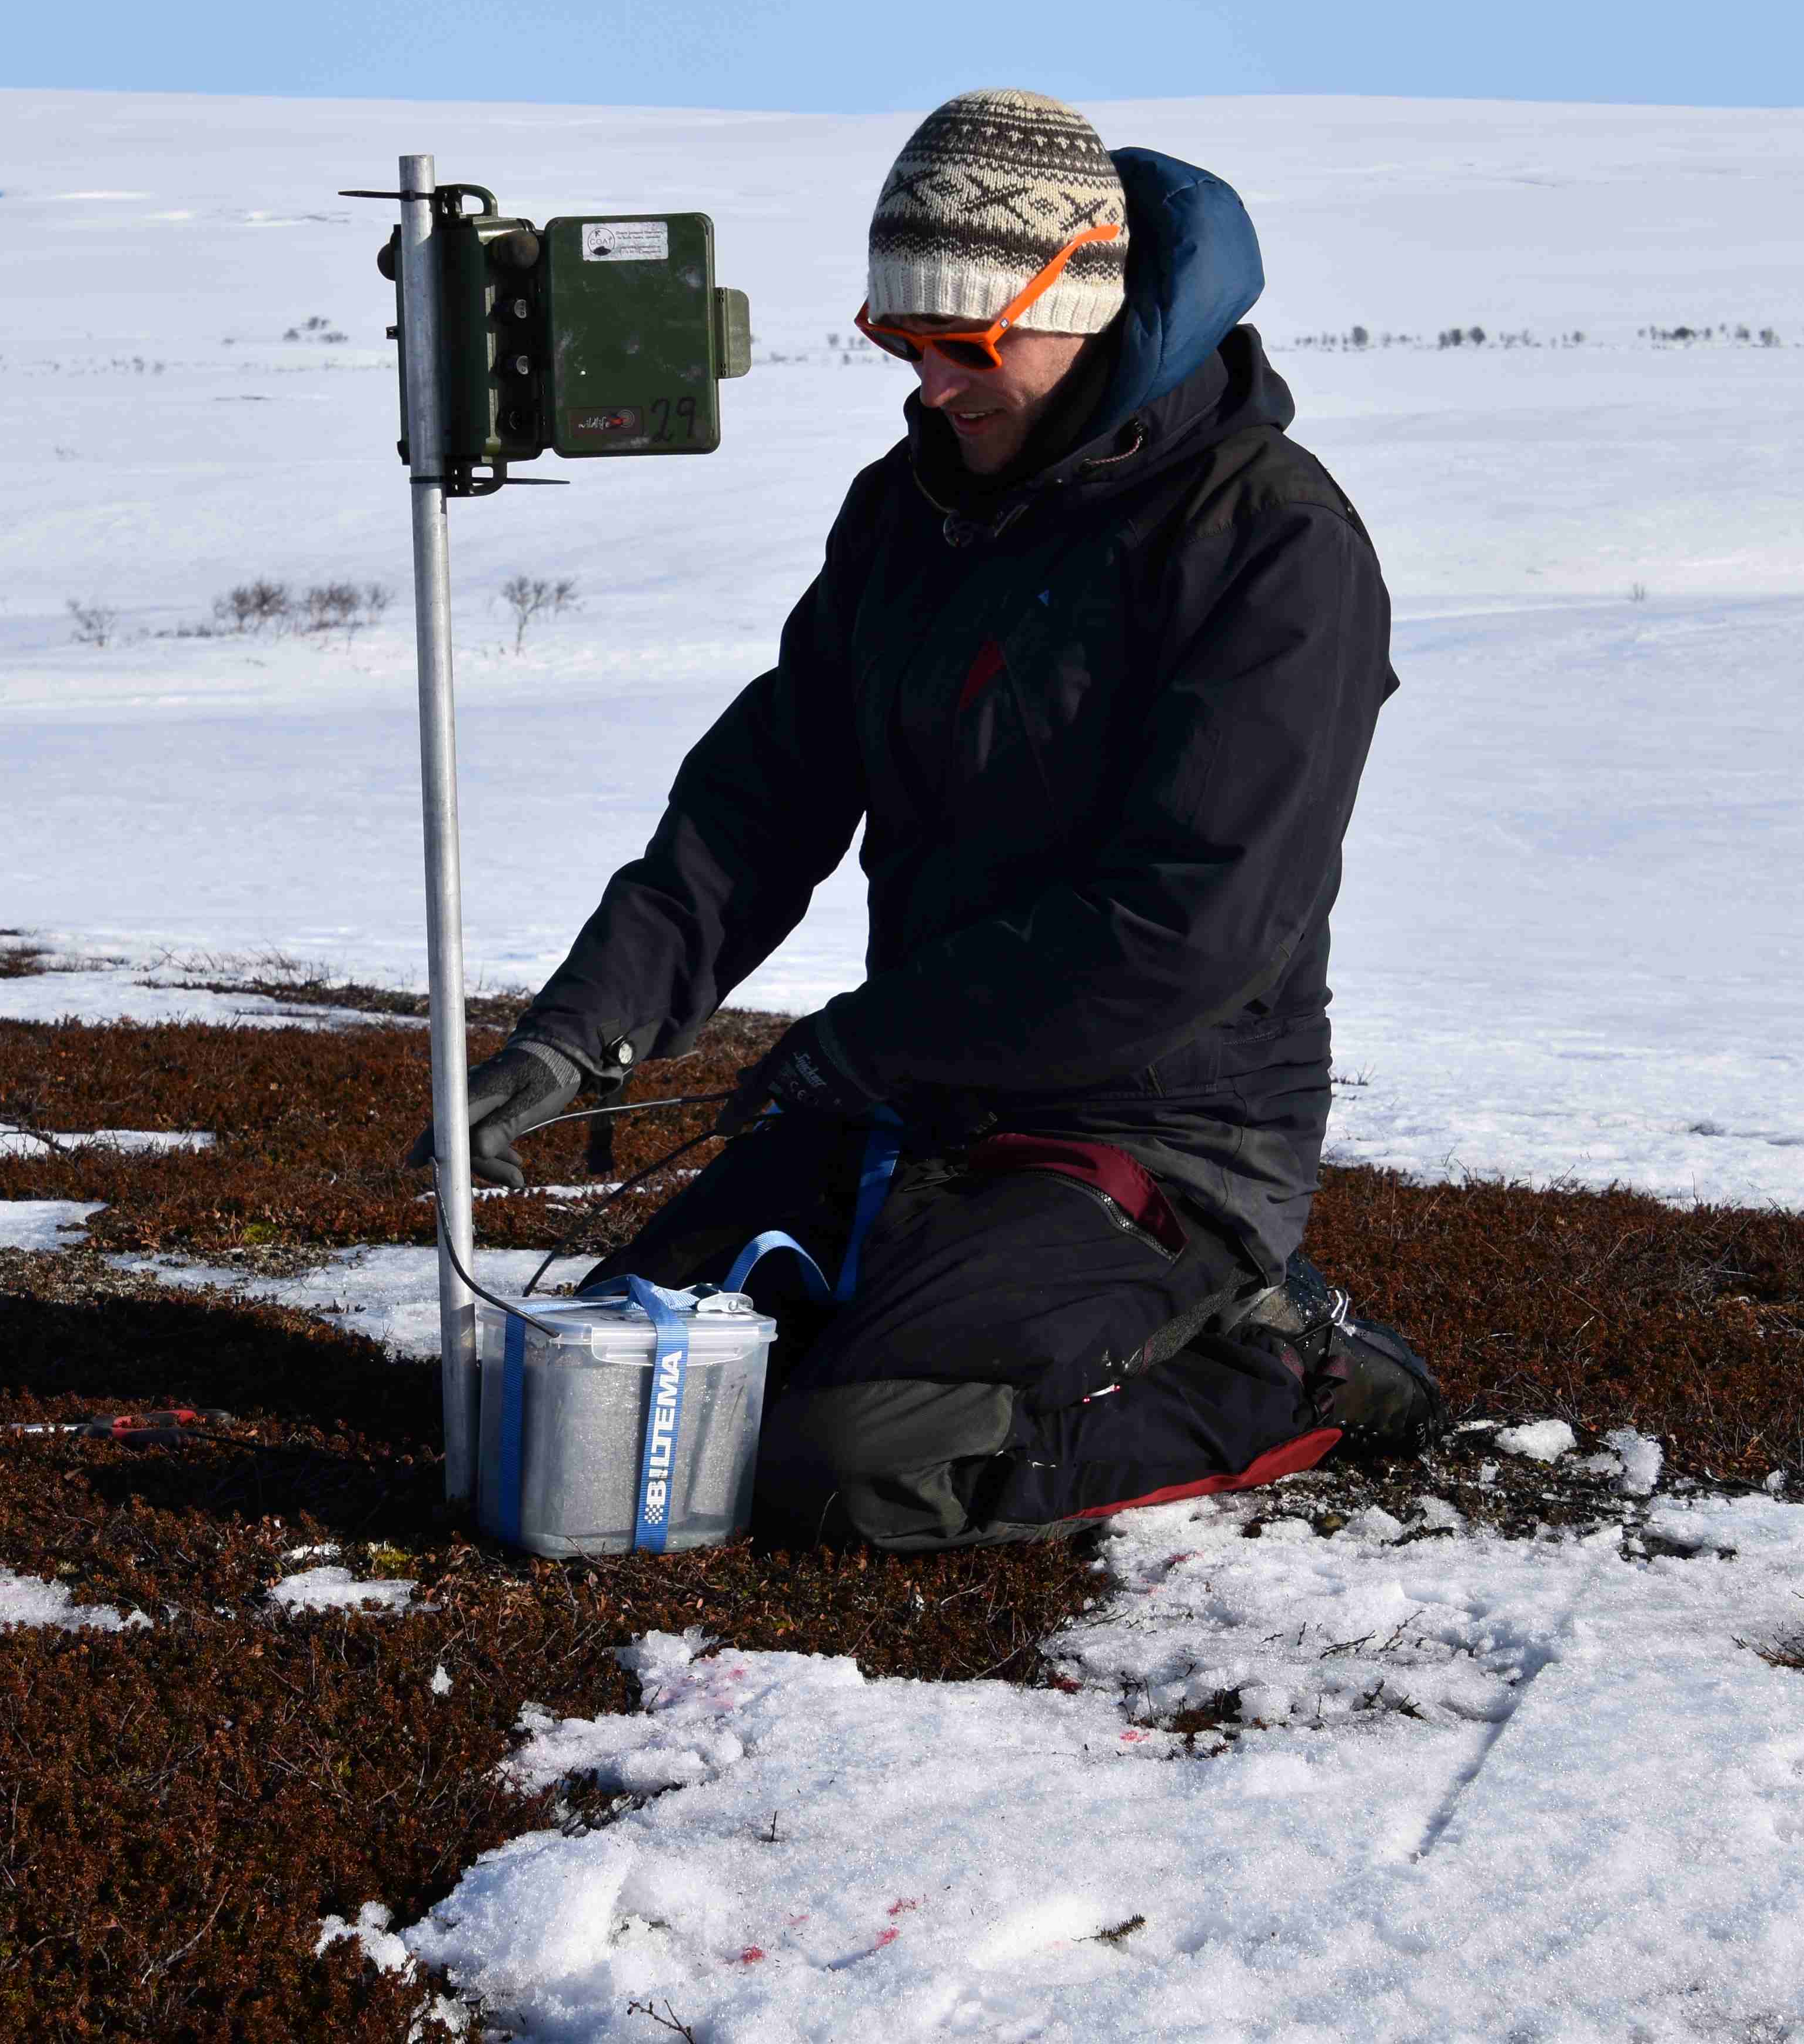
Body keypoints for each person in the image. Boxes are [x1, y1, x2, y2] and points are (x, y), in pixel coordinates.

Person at [414, 88, 1441, 1549]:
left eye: (967, 350)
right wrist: (579, 1033)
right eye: (900, 343)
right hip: (918, 1102)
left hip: (1161, 1130)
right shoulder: (907, 512)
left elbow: (1186, 926)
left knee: (853, 1461)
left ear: (1080, 307)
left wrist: (865, 1041)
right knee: (632, 1383)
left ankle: (1281, 1358)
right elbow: (762, 798)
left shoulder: (1270, 542)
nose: (932, 388)